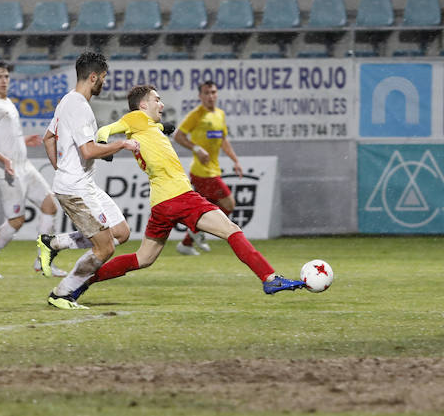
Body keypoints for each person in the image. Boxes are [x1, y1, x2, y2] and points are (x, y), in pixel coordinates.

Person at [59, 84, 304, 308]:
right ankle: (269, 277)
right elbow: (107, 129)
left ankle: (84, 281)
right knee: (231, 230)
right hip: (180, 197)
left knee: (143, 258)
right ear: (143, 105)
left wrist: (161, 127)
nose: (161, 104)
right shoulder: (136, 118)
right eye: (157, 99)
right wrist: (105, 147)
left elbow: (149, 130)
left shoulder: (147, 126)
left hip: (161, 203)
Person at [39, 51, 140, 309]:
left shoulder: (67, 101)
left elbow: (48, 138)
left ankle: (54, 243)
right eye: (103, 78)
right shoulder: (79, 106)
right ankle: (62, 293)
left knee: (121, 232)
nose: (104, 83)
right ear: (93, 77)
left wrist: (61, 167)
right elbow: (88, 150)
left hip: (84, 184)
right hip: (75, 189)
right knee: (105, 248)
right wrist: (121, 144)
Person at [0, 61, 64, 279]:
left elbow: (1, 138)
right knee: (17, 220)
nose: (4, 81)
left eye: (6, 77)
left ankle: (42, 262)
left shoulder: (7, 103)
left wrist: (23, 140)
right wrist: (4, 160)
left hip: (24, 166)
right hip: (8, 171)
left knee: (50, 206)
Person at [172, 80, 243, 255]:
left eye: (213, 92)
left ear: (217, 94)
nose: (210, 96)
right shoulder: (196, 115)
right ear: (200, 96)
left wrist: (235, 160)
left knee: (207, 208)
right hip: (202, 172)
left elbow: (223, 140)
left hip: (213, 170)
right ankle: (197, 231)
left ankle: (187, 243)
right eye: (206, 93)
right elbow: (178, 136)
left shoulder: (220, 114)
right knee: (229, 203)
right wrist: (196, 148)